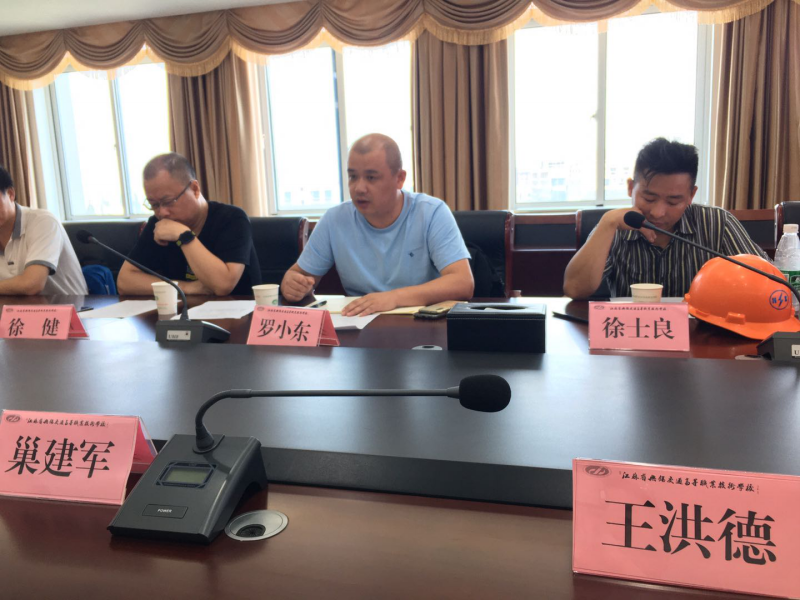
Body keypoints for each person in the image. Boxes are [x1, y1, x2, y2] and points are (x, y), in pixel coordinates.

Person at [281, 133, 474, 316]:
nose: (359, 188)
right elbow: (300, 274)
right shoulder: (334, 219)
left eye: (371, 178)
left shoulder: (431, 212)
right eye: (353, 177)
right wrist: (292, 283)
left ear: (400, 179)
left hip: (421, 322)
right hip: (359, 323)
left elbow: (462, 283)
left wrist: (394, 298)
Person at [563, 138, 768, 299]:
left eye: (673, 201)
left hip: (700, 335)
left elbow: (768, 283)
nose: (658, 212)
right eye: (649, 198)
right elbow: (574, 289)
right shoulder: (614, 226)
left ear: (691, 195)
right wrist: (607, 222)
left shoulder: (718, 223)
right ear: (630, 188)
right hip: (632, 334)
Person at [117, 153, 261, 296]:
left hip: (237, 308)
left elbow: (223, 285)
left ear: (194, 189)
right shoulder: (158, 224)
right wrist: (185, 287)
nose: (162, 212)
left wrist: (183, 235)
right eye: (154, 205)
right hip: (184, 309)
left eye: (168, 202)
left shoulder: (232, 218)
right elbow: (124, 281)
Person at [0, 165, 87, 295]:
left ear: (11, 194)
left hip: (68, 305)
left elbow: (32, 284)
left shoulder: (43, 222)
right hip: (15, 307)